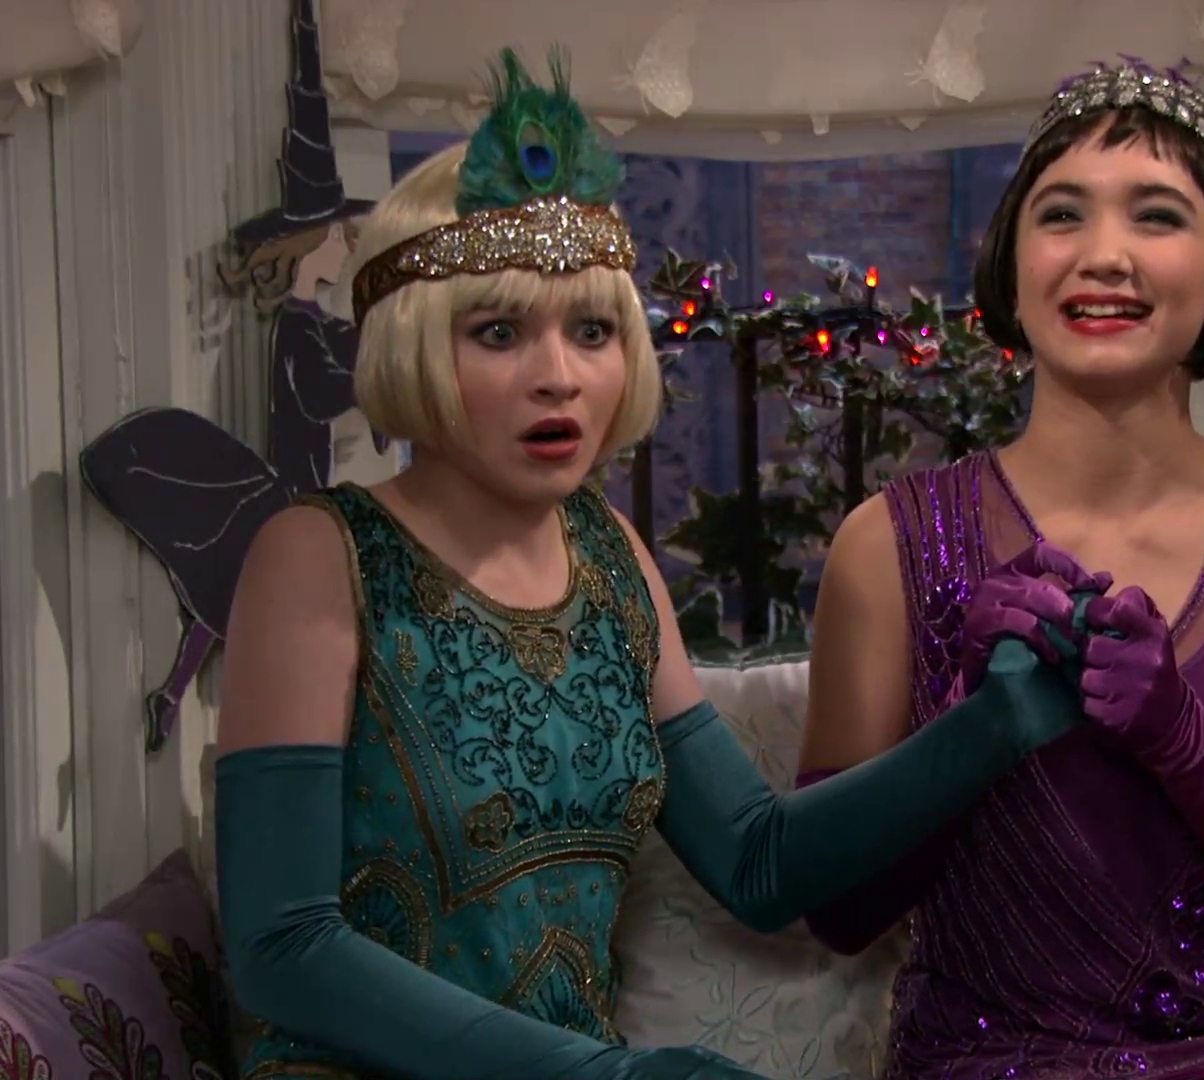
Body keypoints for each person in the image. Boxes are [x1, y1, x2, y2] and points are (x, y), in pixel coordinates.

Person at [211, 49, 1085, 1080]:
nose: (559, 376)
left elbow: (757, 860)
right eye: (499, 332)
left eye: (591, 331)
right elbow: (283, 948)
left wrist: (986, 728)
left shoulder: (610, 555)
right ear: (413, 347)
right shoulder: (320, 553)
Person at [796, 59, 1204, 1080]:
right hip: (989, 1055)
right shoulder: (887, 544)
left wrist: (1178, 730)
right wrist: (971, 728)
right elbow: (836, 910)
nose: (1103, 256)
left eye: (1157, 217)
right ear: (1012, 271)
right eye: (1062, 216)